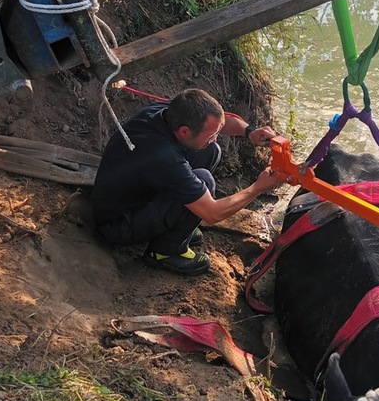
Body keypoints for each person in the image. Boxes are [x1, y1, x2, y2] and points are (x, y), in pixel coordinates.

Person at [92, 88, 281, 275]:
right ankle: (165, 251)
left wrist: (249, 131)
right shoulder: (162, 156)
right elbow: (213, 213)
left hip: (135, 192)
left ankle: (178, 225)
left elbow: (216, 124)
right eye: (210, 135)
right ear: (184, 132)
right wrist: (258, 187)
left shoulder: (172, 113)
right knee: (205, 181)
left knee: (210, 150)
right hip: (118, 225)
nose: (215, 137)